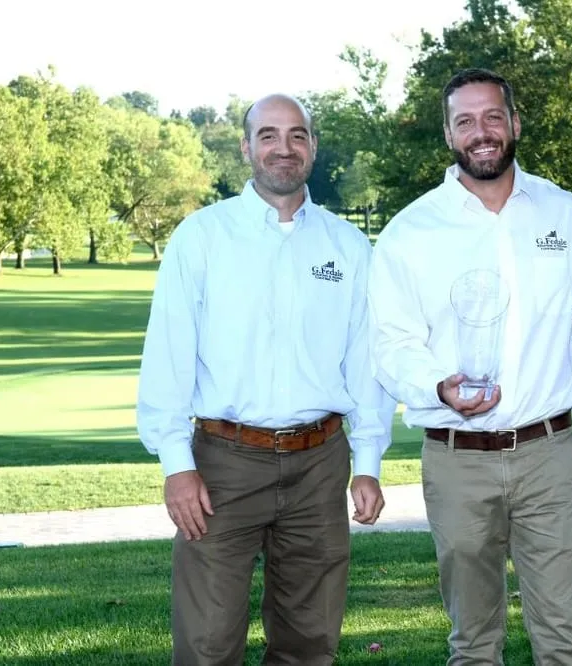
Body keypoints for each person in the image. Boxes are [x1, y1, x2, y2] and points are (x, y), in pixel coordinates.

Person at [367, 68, 572, 665]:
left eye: (492, 117)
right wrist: (437, 386)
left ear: (515, 123)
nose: (481, 132)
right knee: (474, 644)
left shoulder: (564, 214)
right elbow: (391, 344)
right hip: (457, 460)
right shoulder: (410, 232)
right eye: (465, 121)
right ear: (448, 134)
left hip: (549, 456)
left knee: (565, 639)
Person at [136, 93, 394, 665]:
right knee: (207, 643)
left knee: (310, 641)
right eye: (269, 135)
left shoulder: (348, 246)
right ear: (246, 147)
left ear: (313, 147)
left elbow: (366, 365)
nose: (284, 147)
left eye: (297, 135)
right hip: (223, 464)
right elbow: (169, 354)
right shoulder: (202, 236)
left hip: (320, 463)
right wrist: (176, 465)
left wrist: (369, 462)